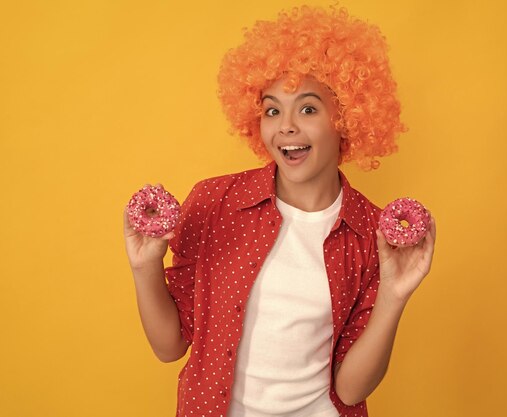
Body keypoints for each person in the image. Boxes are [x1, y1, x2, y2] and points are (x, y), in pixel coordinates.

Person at [123, 6, 436, 417]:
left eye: (308, 109)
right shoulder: (213, 203)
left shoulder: (371, 235)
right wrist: (144, 267)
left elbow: (351, 387)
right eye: (272, 110)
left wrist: (394, 297)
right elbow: (169, 347)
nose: (285, 126)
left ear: (344, 118)